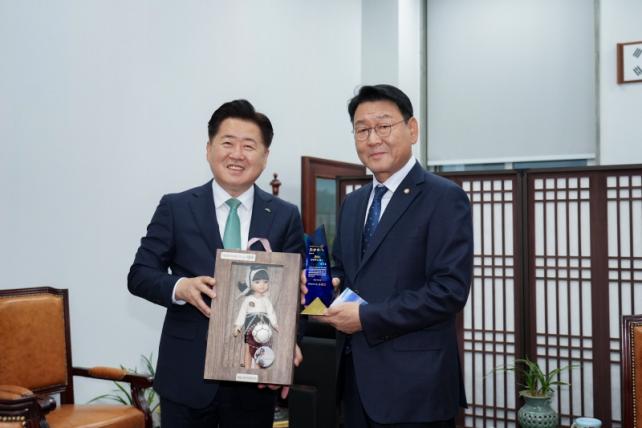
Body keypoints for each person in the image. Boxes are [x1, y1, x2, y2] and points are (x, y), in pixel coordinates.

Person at [128, 99, 304, 428]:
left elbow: (295, 293)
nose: (237, 154)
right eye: (227, 143)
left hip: (255, 377)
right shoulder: (176, 208)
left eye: (248, 146)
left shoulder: (285, 216)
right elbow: (139, 275)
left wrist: (286, 346)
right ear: (209, 149)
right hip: (186, 377)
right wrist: (181, 287)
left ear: (265, 156)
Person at [313, 84, 473, 427]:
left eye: (383, 126)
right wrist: (324, 283)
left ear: (412, 129)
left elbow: (448, 291)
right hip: (355, 383)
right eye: (362, 130)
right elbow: (344, 269)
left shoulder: (444, 197)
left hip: (416, 389)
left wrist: (366, 317)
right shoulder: (353, 202)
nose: (373, 139)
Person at [233, 265, 279, 369]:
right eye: (257, 282)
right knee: (248, 347)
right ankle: (247, 367)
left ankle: (258, 369)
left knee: (261, 349)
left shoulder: (266, 300)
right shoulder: (248, 299)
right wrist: (238, 326)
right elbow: (242, 313)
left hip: (263, 326)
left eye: (265, 282)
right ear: (250, 283)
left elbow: (271, 313)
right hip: (250, 325)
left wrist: (275, 324)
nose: (262, 285)